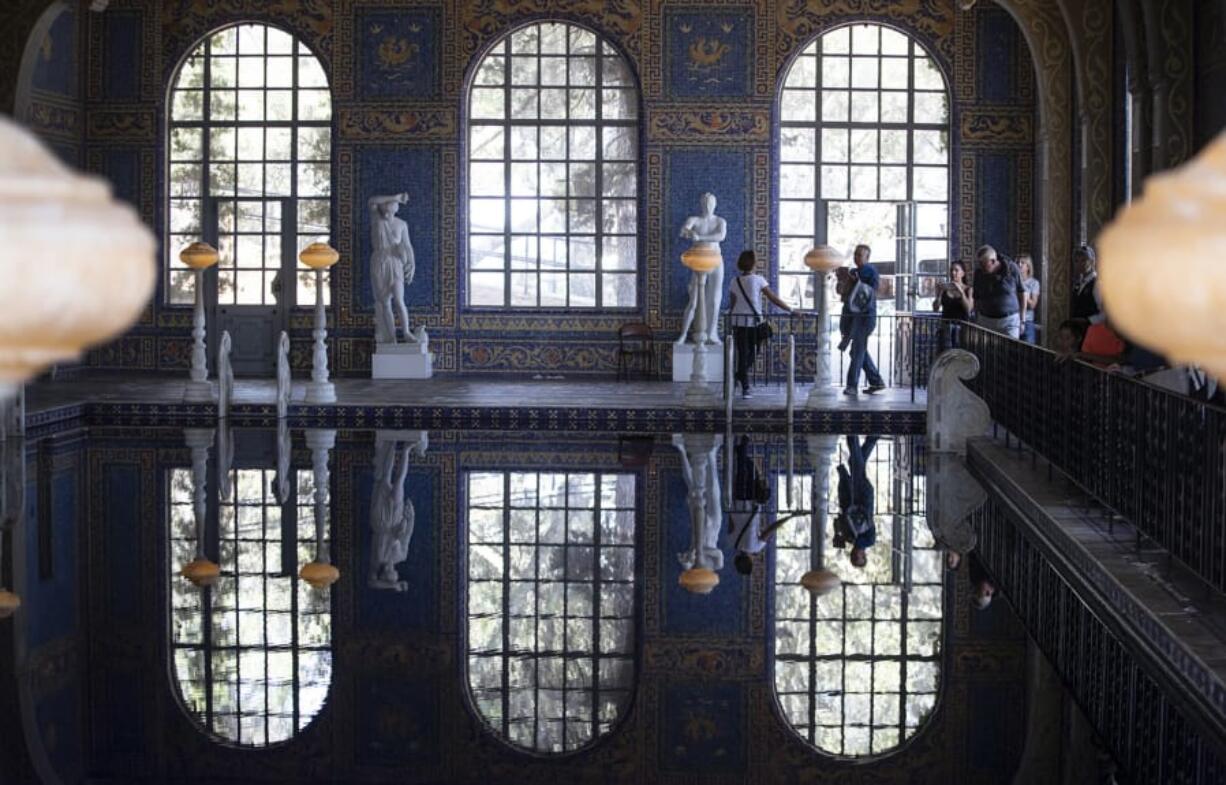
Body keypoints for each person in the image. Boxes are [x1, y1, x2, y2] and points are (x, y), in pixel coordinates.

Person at [726, 250, 794, 397]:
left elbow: (733, 303)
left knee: (743, 354)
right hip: (754, 322)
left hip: (738, 322)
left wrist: (730, 318)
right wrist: (790, 309)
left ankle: (741, 379)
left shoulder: (734, 281)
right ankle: (744, 384)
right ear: (753, 263)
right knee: (753, 352)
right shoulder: (758, 280)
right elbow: (773, 298)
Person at [677, 193, 729, 345]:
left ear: (715, 205)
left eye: (710, 203)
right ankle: (684, 334)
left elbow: (721, 236)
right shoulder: (695, 220)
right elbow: (683, 231)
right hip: (699, 262)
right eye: (705, 203)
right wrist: (690, 232)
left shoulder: (720, 221)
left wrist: (700, 237)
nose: (708, 206)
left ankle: (712, 333)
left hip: (716, 260)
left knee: (714, 298)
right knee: (694, 301)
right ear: (701, 204)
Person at [842, 245, 886, 396]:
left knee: (858, 350)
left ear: (867, 257)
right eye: (855, 254)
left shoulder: (870, 271)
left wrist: (857, 282)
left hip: (865, 317)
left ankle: (852, 385)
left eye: (860, 255)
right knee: (856, 350)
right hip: (854, 318)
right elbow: (844, 295)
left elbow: (871, 293)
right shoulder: (853, 272)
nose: (856, 257)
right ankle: (876, 381)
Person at [832, 434, 878, 569]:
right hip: (862, 496)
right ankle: (852, 432)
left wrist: (837, 534)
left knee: (856, 463)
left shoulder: (850, 538)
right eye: (858, 558)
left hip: (854, 495)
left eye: (853, 557)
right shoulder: (869, 541)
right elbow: (860, 538)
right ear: (864, 555)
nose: (855, 555)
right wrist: (844, 537)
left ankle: (872, 438)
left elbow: (839, 520)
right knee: (857, 464)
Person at [971, 245, 1027, 339]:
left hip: (1009, 321)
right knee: (986, 352)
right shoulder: (979, 273)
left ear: (993, 261)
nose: (980, 267)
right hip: (986, 320)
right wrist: (977, 317)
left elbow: (1022, 292)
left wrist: (1022, 319)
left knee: (1010, 351)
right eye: (979, 263)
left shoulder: (1012, 268)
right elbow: (976, 297)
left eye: (983, 264)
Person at [933, 260, 972, 349]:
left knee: (959, 356)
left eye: (956, 270)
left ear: (963, 273)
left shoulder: (968, 289)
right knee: (945, 356)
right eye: (951, 270)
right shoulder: (945, 289)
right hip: (945, 328)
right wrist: (938, 294)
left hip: (962, 329)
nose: (953, 273)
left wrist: (961, 292)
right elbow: (935, 308)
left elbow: (968, 309)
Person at [1071, 245, 1104, 323]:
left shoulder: (1097, 284)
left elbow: (1105, 314)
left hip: (1092, 330)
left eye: (1083, 260)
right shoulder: (1078, 284)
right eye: (1076, 261)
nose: (1079, 264)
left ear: (1092, 262)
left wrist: (1088, 321)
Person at [1018, 254, 1041, 343]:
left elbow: (1032, 305)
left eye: (1022, 263)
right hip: (1014, 321)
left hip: (1028, 322)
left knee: (1028, 350)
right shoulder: (1013, 281)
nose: (1019, 265)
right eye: (1018, 262)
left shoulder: (1034, 283)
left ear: (1028, 267)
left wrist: (1024, 295)